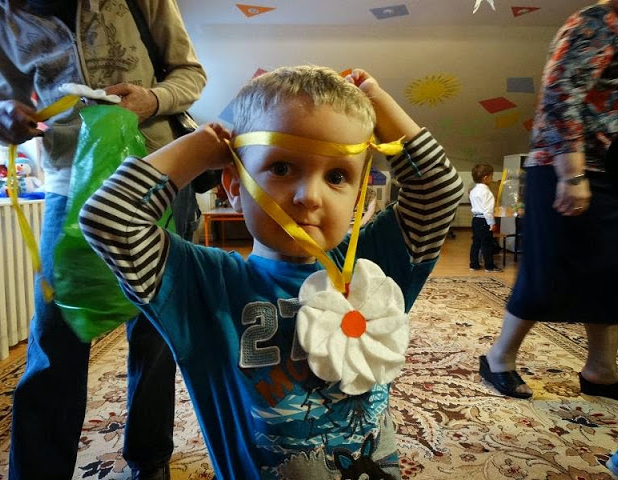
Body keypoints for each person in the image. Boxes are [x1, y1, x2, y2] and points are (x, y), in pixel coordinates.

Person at [79, 66, 464, 479]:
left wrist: (376, 102)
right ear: (234, 185)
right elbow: (109, 219)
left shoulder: (373, 269)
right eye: (281, 168)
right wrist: (197, 149)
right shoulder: (203, 286)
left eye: (337, 176)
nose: (309, 196)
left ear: (357, 197)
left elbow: (437, 190)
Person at [0, 1, 206, 479]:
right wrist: (1, 116)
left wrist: (152, 99)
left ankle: (150, 460)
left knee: (155, 331)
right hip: (68, 182)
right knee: (55, 334)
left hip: (156, 175)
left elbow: (190, 75)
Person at [479, 0, 618, 401]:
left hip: (608, 168)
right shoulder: (595, 24)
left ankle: (601, 368)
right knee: (546, 272)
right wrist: (571, 174)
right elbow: (561, 97)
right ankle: (498, 357)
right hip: (566, 167)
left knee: (611, 272)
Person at [468, 163, 502, 272]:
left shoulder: (473, 191)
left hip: (476, 219)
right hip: (484, 220)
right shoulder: (487, 192)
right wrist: (491, 223)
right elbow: (487, 210)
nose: (492, 178)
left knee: (476, 243)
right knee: (486, 243)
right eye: (492, 176)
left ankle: (474, 264)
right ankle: (489, 266)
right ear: (486, 178)